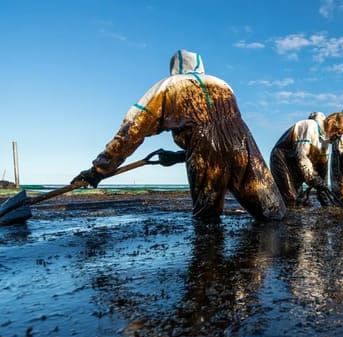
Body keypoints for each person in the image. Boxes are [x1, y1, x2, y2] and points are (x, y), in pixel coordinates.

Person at [71, 49, 286, 222]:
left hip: (204, 148)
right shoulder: (223, 85)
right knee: (272, 211)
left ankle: (209, 272)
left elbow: (131, 131)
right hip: (244, 144)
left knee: (207, 218)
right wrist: (176, 157)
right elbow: (223, 138)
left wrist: (99, 170)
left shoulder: (167, 86)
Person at [270, 111, 343, 206]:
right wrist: (314, 179)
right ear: (333, 124)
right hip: (281, 159)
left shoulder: (325, 142)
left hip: (296, 165)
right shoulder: (309, 126)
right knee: (291, 198)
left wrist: (324, 197)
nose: (338, 137)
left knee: (300, 200)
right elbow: (302, 157)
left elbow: (323, 169)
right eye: (339, 133)